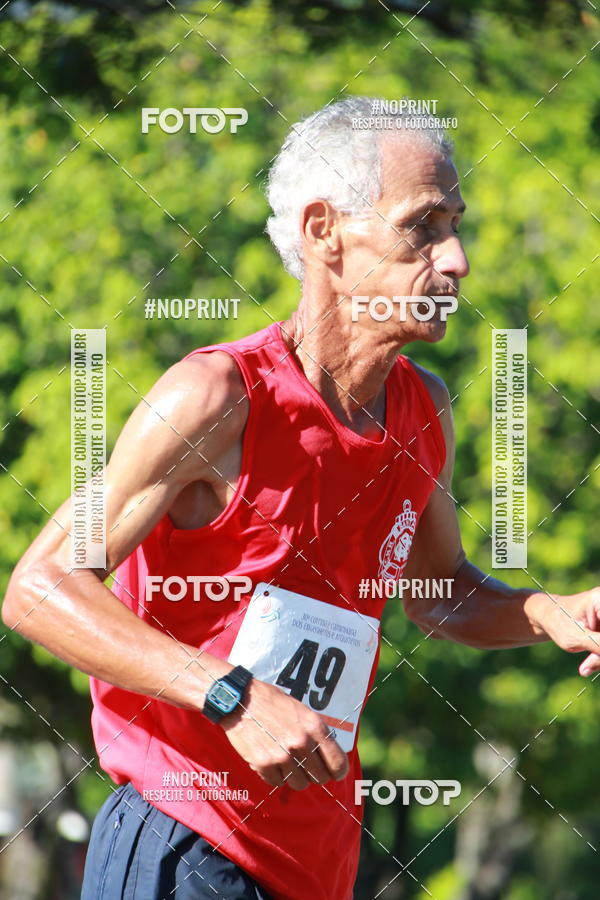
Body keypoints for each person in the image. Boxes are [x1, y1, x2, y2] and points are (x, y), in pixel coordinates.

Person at [3, 96, 600, 900]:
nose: (456, 259)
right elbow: (39, 588)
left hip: (318, 864)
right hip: (185, 841)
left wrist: (550, 611)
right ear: (324, 232)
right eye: (422, 227)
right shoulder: (216, 397)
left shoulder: (422, 409)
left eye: (455, 225)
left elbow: (438, 594)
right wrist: (229, 695)